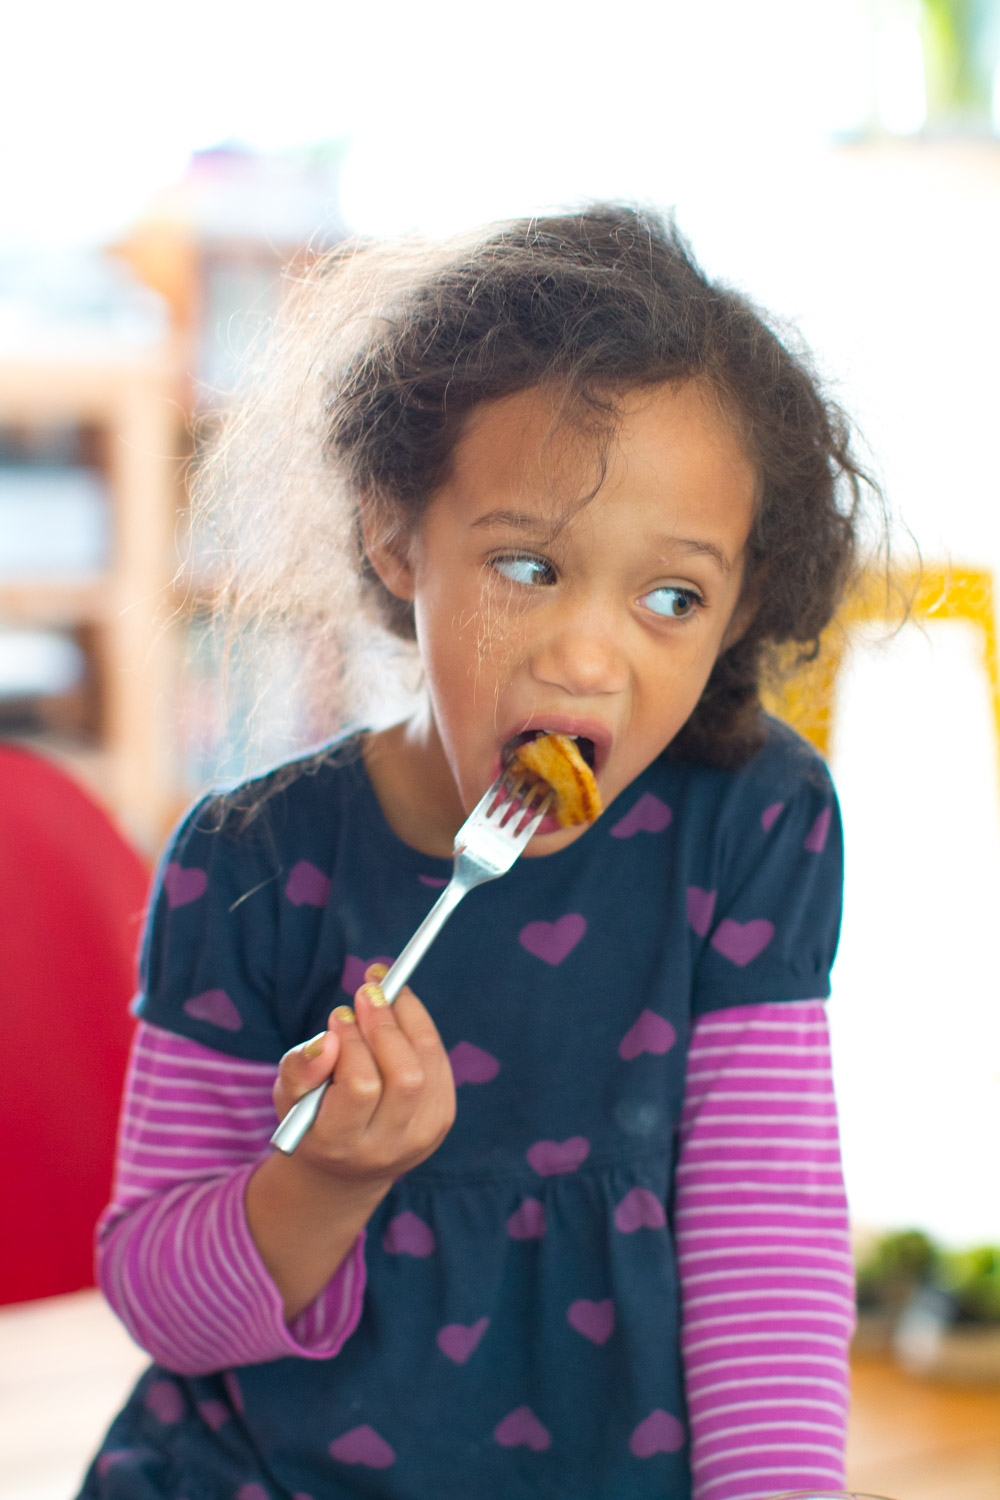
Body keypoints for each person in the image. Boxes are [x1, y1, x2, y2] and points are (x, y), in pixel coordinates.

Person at [80, 205, 873, 1500]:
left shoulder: (751, 824)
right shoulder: (247, 868)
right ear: (399, 532)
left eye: (671, 597)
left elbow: (765, 1251)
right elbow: (165, 1314)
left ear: (740, 602)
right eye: (527, 564)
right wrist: (322, 1180)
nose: (590, 657)